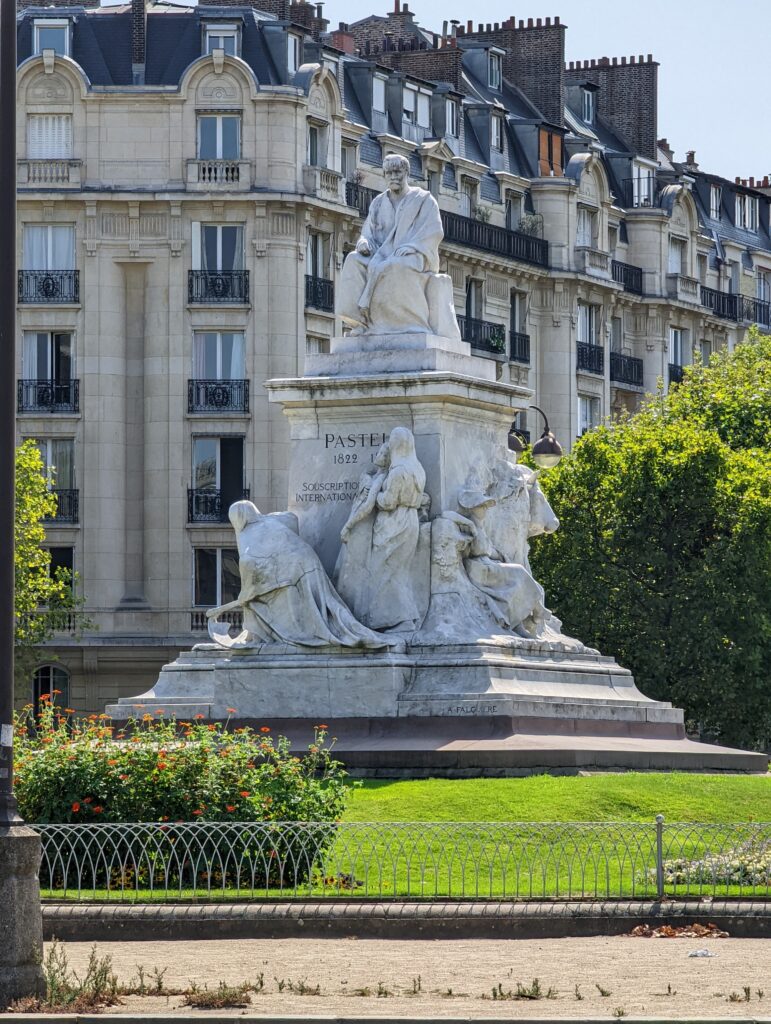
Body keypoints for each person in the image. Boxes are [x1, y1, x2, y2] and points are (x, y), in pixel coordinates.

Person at [206, 500, 393, 650]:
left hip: (292, 572)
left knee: (258, 602)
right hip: (309, 560)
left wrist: (245, 595)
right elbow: (292, 519)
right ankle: (303, 631)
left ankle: (276, 635)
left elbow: (250, 567)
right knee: (317, 607)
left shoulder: (249, 534)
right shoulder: (272, 520)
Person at [337, 153, 447, 336]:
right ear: (384, 175)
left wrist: (413, 247)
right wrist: (363, 243)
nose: (394, 176)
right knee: (353, 259)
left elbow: (434, 231)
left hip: (414, 255)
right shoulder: (378, 203)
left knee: (394, 266)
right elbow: (368, 233)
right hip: (381, 254)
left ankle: (408, 324)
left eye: (398, 172)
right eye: (389, 173)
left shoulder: (424, 200)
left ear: (407, 173)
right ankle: (361, 322)